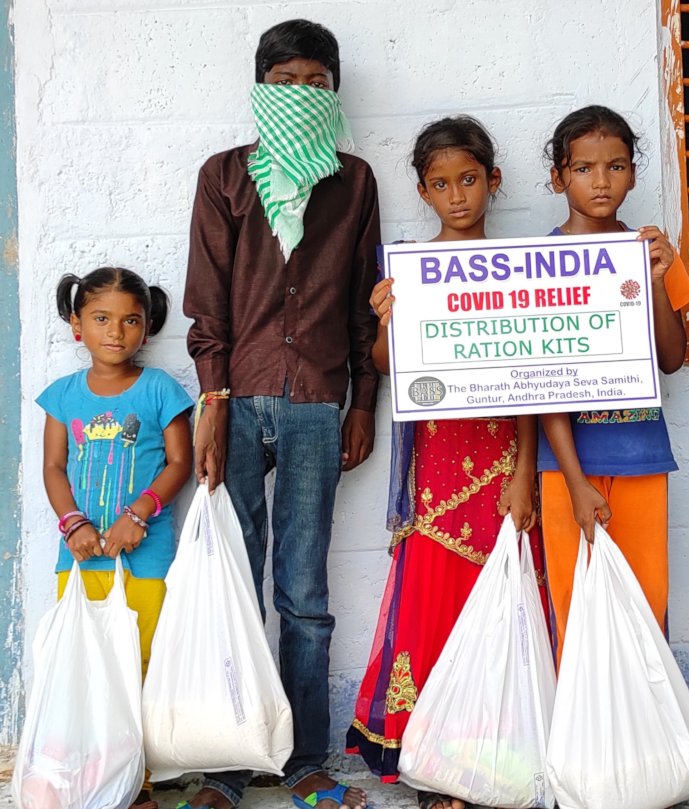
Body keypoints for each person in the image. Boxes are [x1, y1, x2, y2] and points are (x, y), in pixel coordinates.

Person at [182, 18, 380, 809]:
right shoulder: (225, 176)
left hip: (315, 406)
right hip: (235, 400)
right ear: (263, 89)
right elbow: (206, 300)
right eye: (288, 82)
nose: (303, 95)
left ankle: (302, 759)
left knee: (303, 591)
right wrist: (213, 401)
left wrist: (362, 402)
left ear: (334, 93)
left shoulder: (354, 180)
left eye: (317, 84)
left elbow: (366, 305)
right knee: (234, 580)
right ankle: (227, 764)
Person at [345, 116, 545, 809]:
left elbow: (536, 371)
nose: (457, 196)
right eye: (440, 184)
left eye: (469, 180)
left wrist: (524, 470)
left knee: (500, 597)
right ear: (424, 191)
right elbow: (381, 365)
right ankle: (436, 759)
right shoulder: (408, 266)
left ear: (492, 181)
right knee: (434, 595)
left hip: (503, 453)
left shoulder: (521, 266)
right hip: (435, 456)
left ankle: (497, 754)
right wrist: (390, 320)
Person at [537, 105, 689, 663]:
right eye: (583, 168)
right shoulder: (541, 262)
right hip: (564, 465)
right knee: (572, 604)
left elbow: (673, 359)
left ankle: (647, 744)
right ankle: (583, 747)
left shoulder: (652, 251)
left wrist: (655, 278)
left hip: (642, 453)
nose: (601, 181)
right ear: (559, 177)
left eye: (616, 165)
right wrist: (576, 481)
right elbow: (543, 384)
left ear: (632, 172)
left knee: (646, 606)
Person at [39, 267, 194, 809]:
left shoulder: (160, 389)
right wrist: (73, 524)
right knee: (87, 666)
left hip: (145, 557)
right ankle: (90, 776)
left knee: (140, 664)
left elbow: (181, 463)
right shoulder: (62, 396)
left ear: (147, 328)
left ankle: (137, 783)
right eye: (101, 318)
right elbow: (54, 468)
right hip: (81, 561)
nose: (115, 332)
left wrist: (140, 512)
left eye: (130, 320)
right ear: (75, 323)